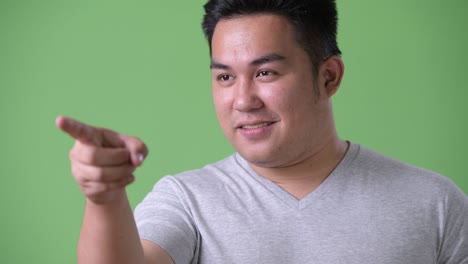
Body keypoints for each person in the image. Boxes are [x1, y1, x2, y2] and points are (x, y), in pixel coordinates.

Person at [56, 0, 468, 263]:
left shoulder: (435, 203)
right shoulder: (185, 200)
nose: (242, 99)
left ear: (328, 76)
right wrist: (105, 199)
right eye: (224, 78)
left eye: (265, 72)